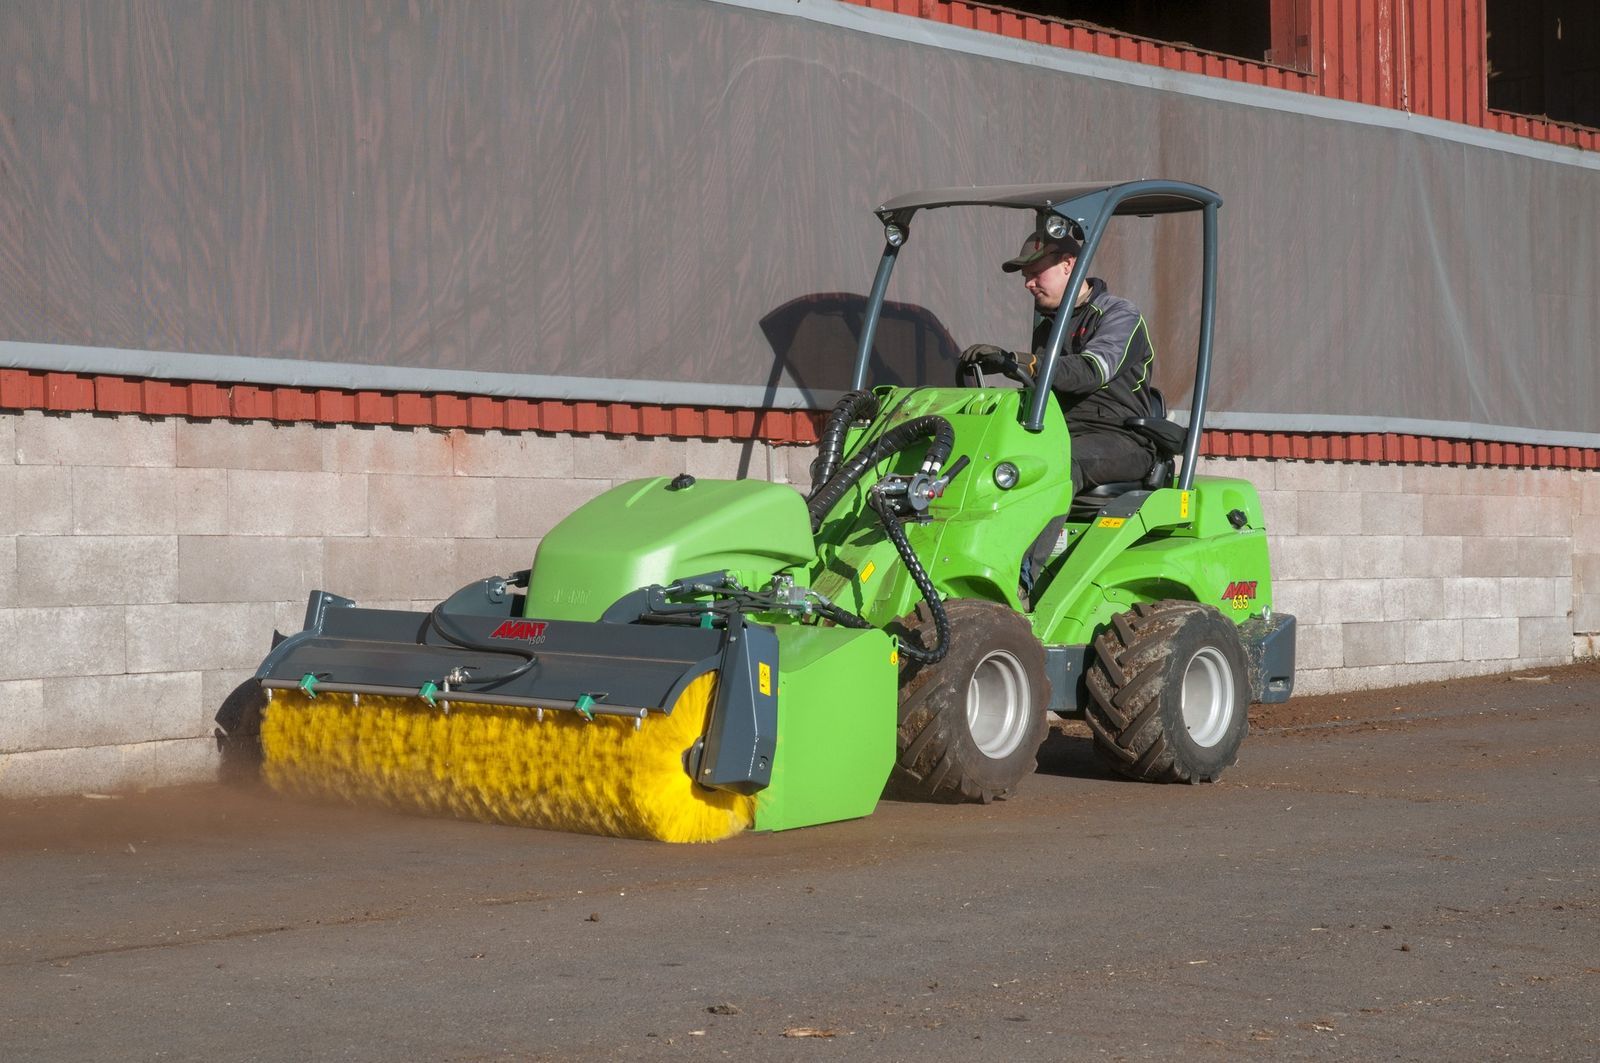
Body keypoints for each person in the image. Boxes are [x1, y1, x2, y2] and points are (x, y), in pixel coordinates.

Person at [959, 228, 1158, 495]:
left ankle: (1038, 524)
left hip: (1118, 438)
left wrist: (1023, 363)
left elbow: (1090, 371)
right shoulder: (1049, 326)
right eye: (1025, 276)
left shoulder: (1119, 315)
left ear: (1067, 264)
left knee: (1050, 465)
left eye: (1035, 273)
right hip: (1058, 432)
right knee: (985, 459)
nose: (1028, 283)